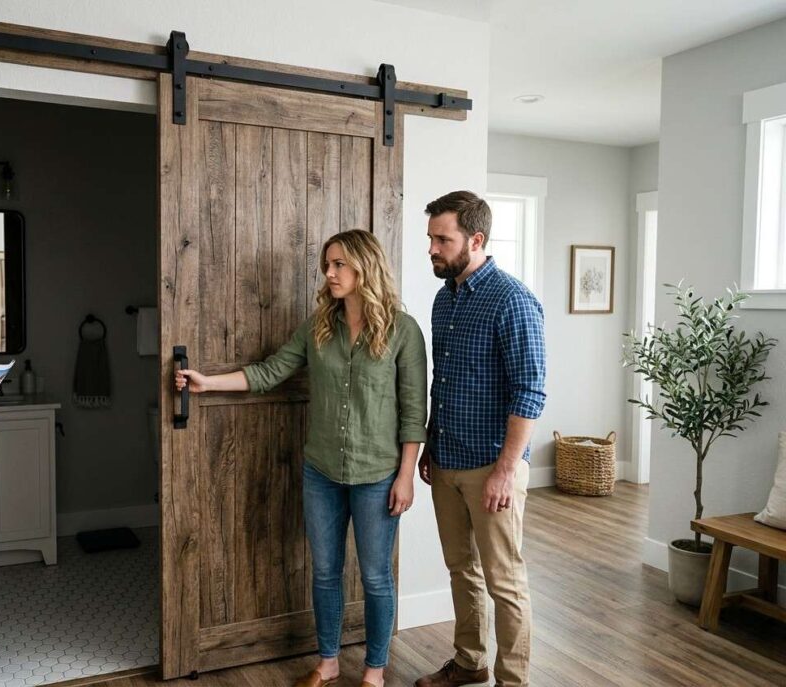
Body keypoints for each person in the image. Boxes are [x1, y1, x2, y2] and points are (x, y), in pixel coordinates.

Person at [175, 230, 427, 687]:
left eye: (339, 265)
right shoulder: (318, 327)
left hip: (378, 473)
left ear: (364, 268)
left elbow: (414, 411)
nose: (329, 274)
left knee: (374, 577)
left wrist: (405, 476)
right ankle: (328, 663)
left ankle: (374, 671)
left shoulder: (403, 331)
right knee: (326, 571)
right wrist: (207, 383)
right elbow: (271, 371)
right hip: (322, 471)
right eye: (327, 265)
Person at [414, 191, 546, 687]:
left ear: (476, 239)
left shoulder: (512, 300)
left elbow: (529, 392)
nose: (432, 248)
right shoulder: (444, 298)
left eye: (442, 239)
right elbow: (443, 381)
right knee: (460, 569)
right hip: (446, 460)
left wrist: (506, 472)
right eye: (430, 238)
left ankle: (514, 681)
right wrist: (431, 445)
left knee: (505, 582)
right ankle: (470, 663)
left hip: (493, 468)